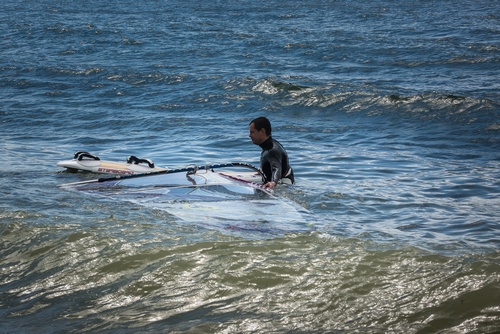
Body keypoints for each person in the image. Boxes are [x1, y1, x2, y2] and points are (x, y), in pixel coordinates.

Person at [248, 116, 294, 189]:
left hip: (284, 188)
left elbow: (276, 168)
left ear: (262, 131)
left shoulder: (273, 149)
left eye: (252, 132)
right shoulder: (268, 146)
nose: (249, 135)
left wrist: (274, 182)